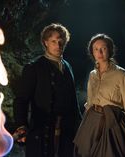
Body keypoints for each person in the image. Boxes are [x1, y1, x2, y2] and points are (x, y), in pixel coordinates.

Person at [13, 23, 81, 157]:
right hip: (42, 129)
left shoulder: (68, 66)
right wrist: (21, 125)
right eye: (53, 41)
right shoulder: (34, 67)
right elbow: (21, 99)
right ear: (46, 42)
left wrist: (80, 125)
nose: (58, 45)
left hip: (66, 131)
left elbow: (73, 101)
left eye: (61, 41)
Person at [73, 34, 125, 157]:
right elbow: (89, 104)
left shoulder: (121, 74)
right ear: (92, 53)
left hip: (112, 124)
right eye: (96, 49)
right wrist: (84, 129)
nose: (99, 52)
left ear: (109, 50)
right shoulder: (92, 75)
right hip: (92, 122)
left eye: (103, 48)